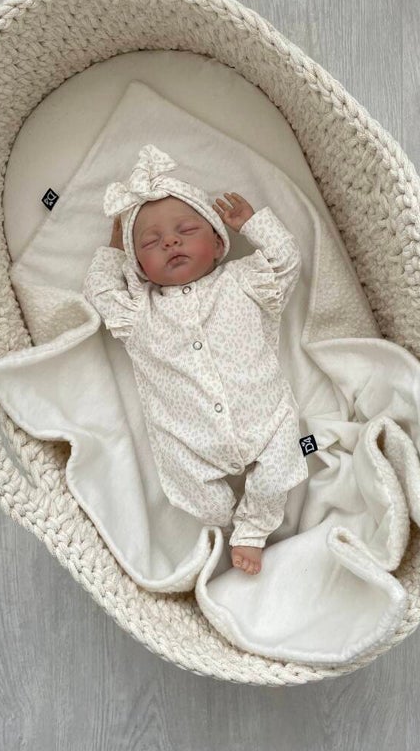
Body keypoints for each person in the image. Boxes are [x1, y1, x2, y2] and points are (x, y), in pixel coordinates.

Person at [83, 144, 308, 575]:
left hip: (265, 420)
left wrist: (254, 224)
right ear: (139, 265)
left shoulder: (243, 280)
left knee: (282, 464)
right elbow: (101, 292)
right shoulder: (138, 312)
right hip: (188, 439)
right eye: (151, 242)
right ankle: (222, 519)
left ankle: (253, 530)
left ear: (219, 243)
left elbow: (285, 262)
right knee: (198, 497)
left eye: (186, 230)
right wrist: (112, 251)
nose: (170, 241)